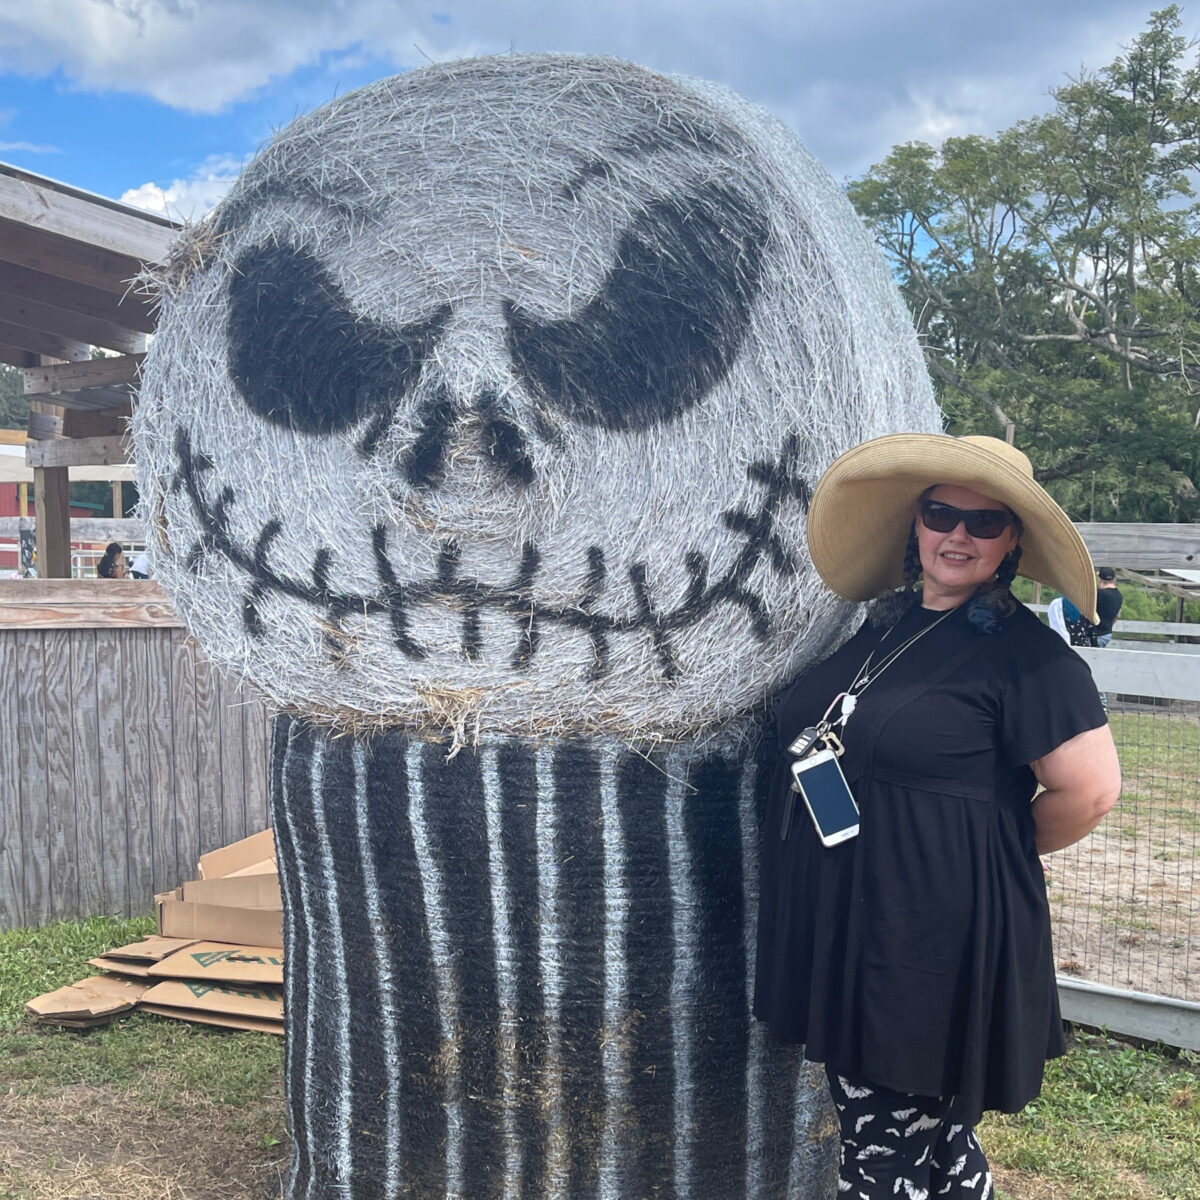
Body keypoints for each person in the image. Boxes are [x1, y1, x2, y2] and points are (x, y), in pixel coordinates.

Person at [754, 434, 1121, 1200]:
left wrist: (997, 852)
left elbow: (1089, 791)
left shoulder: (1030, 660)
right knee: (937, 1145)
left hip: (924, 941)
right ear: (916, 525)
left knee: (880, 1155)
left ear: (1012, 540)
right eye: (941, 513)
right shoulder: (883, 628)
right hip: (854, 919)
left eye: (984, 523)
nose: (958, 535)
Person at [1095, 567, 1123, 649]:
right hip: (1107, 633)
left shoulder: (1099, 594)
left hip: (1097, 634)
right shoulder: (1119, 595)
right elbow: (1116, 616)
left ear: (1100, 580)